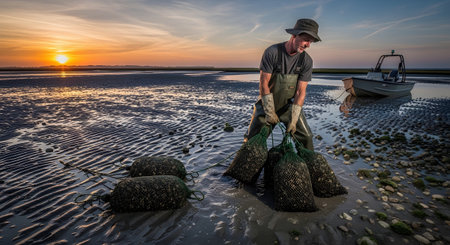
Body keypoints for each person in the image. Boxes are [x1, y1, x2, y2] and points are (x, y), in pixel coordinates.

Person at [244, 18, 321, 151]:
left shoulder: (306, 61)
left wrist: (294, 117)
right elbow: (263, 83)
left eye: (311, 41)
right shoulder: (272, 52)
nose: (308, 45)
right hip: (266, 104)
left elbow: (300, 92)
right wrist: (269, 111)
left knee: (307, 137)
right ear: (293, 35)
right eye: (305, 39)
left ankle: (309, 167)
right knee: (252, 142)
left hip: (289, 107)